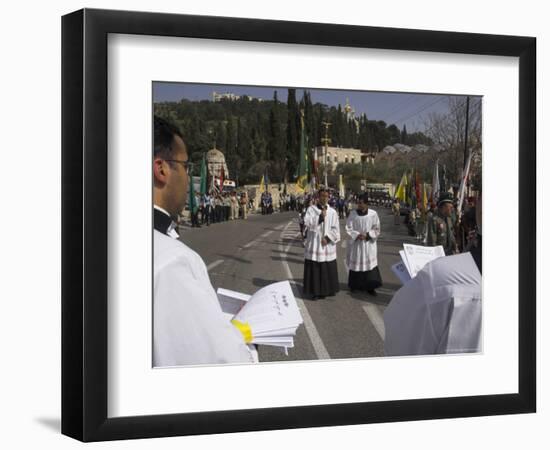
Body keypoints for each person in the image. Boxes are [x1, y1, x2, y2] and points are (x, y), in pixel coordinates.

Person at [152, 116, 254, 366]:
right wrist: (247, 342)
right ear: (162, 169)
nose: (188, 177)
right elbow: (222, 363)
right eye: (185, 167)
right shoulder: (171, 261)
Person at [303, 188, 340, 299]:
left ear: (329, 197)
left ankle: (328, 290)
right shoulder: (311, 209)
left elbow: (336, 229)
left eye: (326, 196)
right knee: (316, 268)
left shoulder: (333, 212)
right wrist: (319, 217)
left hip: (327, 245)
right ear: (318, 197)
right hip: (315, 244)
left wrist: (328, 238)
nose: (324, 198)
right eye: (322, 196)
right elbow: (307, 223)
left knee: (327, 267)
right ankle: (316, 292)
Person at [345, 194, 383, 295]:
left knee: (369, 265)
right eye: (358, 202)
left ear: (366, 204)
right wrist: (357, 235)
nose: (359, 205)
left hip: (368, 244)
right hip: (357, 243)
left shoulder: (373, 214)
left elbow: (377, 228)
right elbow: (348, 227)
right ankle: (354, 285)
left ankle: (370, 287)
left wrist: (367, 235)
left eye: (361, 203)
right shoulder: (353, 214)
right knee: (356, 264)